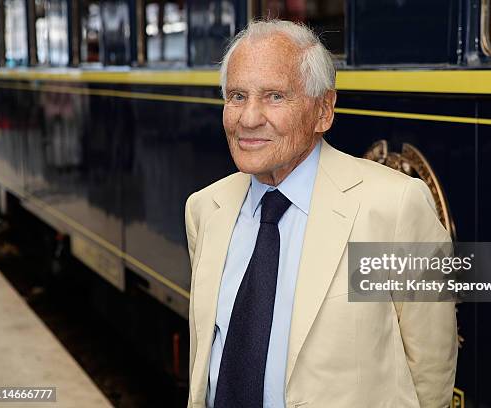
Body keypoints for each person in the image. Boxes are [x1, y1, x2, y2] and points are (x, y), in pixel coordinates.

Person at [185, 19, 457, 408]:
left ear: (323, 111)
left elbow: (431, 367)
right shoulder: (206, 209)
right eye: (237, 96)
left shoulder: (393, 206)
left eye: (275, 97)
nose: (248, 118)